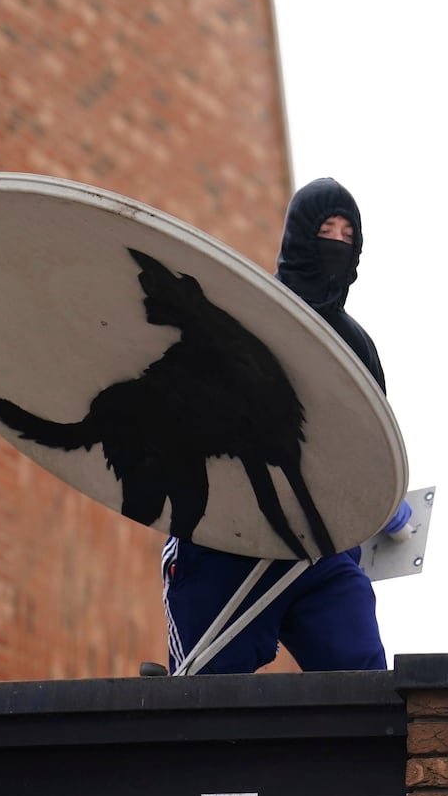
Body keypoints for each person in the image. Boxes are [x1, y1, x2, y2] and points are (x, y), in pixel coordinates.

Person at [160, 177, 391, 674]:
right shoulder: (242, 318)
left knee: (365, 685)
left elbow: (372, 447)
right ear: (300, 236)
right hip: (226, 537)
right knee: (204, 700)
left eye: (347, 236)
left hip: (317, 550)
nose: (336, 243)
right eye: (325, 229)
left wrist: (382, 502)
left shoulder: (358, 351)